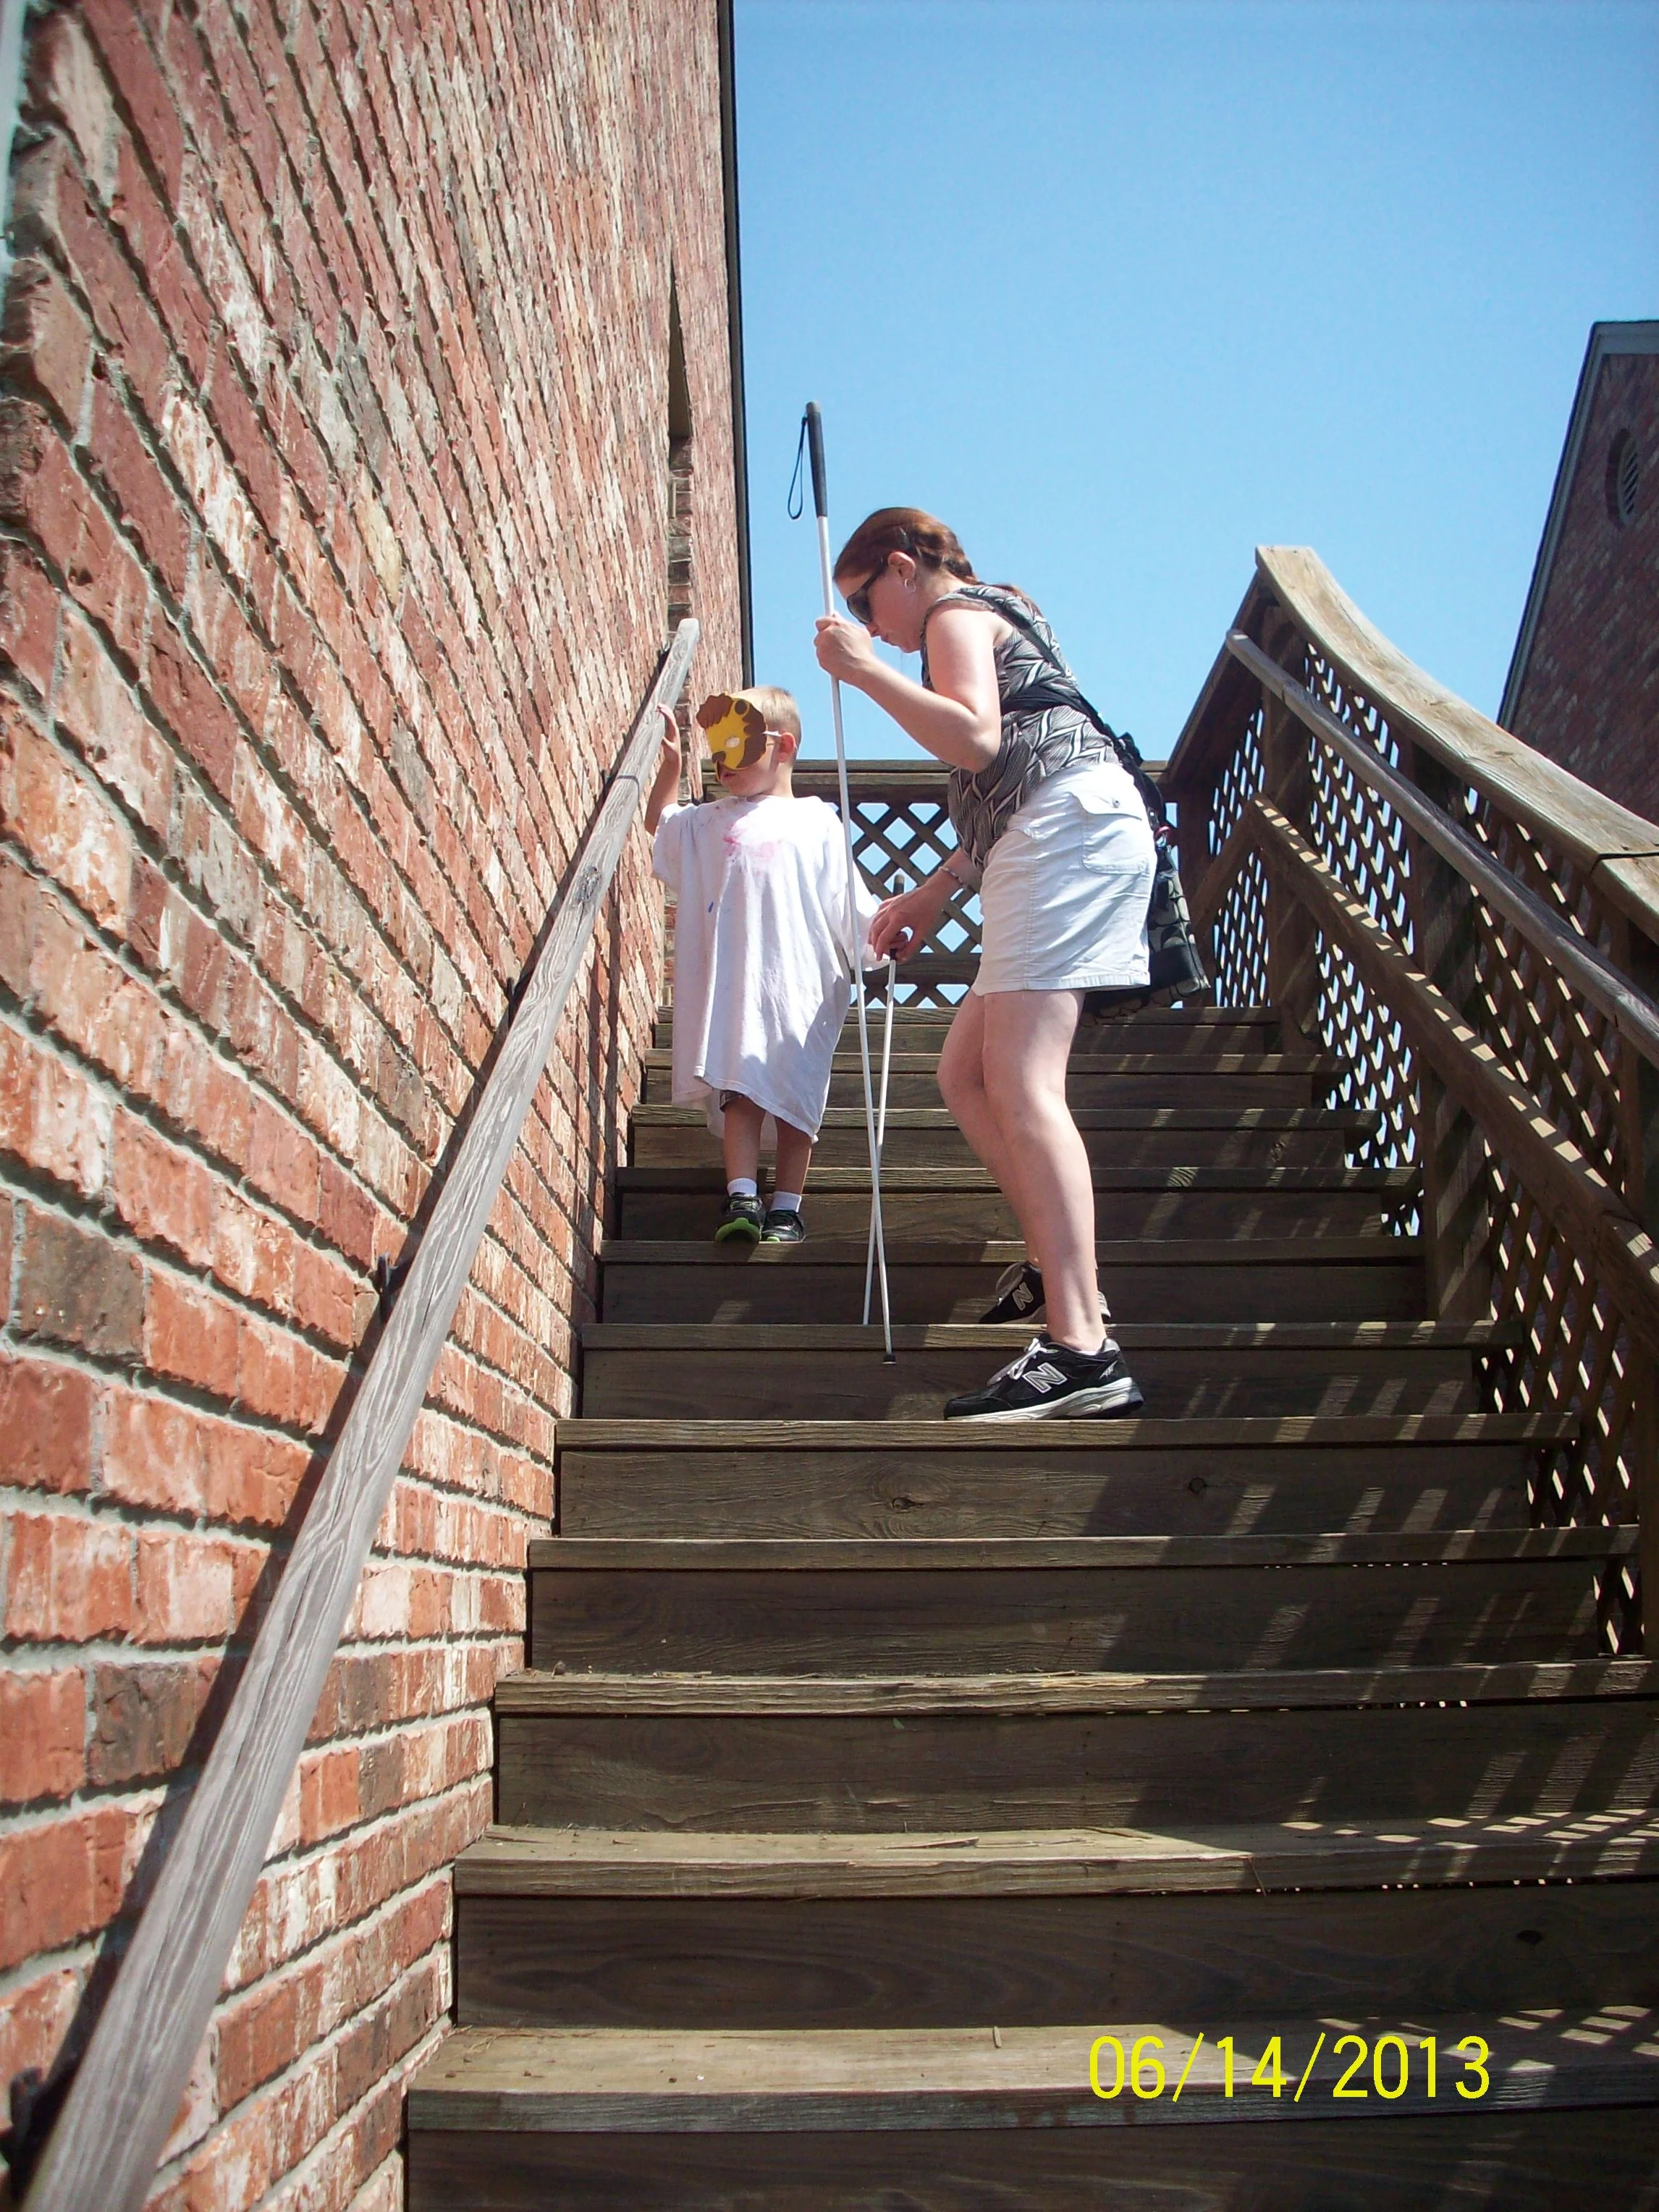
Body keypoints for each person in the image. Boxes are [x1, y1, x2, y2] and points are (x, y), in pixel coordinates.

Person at [814, 509, 1154, 1420]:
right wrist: (936, 890)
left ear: (899, 565)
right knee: (964, 1071)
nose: (868, 620)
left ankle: (1083, 1344)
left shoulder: (950, 613)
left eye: (864, 600)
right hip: (1054, 832)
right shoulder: (991, 615)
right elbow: (1012, 768)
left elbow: (975, 741)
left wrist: (866, 669)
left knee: (1019, 1075)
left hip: (1067, 835)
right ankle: (1055, 1266)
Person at [645, 684, 878, 1245]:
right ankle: (742, 1196)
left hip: (801, 983)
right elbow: (662, 822)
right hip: (738, 986)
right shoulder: (709, 821)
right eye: (715, 749)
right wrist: (672, 768)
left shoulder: (816, 822)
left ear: (785, 747)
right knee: (740, 1091)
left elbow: (848, 901)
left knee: (796, 1099)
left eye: (738, 746)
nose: (723, 762)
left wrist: (879, 935)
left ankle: (788, 1207)